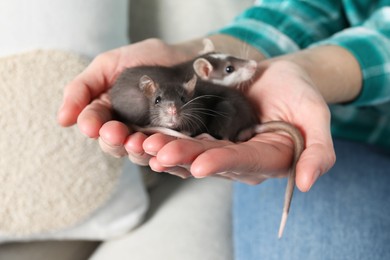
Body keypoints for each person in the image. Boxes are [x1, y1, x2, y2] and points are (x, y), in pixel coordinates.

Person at [57, 1, 390, 259]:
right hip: (348, 136)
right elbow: (304, 8)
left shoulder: (205, 97)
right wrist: (196, 52)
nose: (252, 70)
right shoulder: (184, 88)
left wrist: (313, 72)